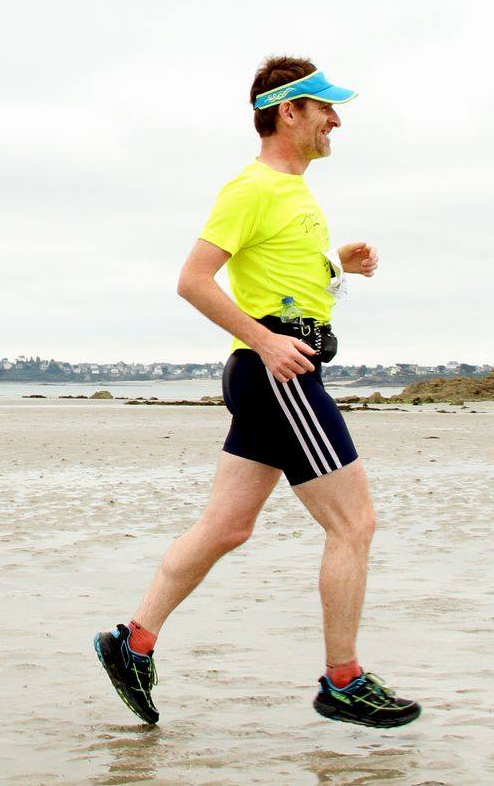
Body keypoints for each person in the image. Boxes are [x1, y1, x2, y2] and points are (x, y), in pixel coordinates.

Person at [94, 55, 421, 729]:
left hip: (272, 369)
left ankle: (134, 644)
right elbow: (194, 278)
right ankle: (344, 680)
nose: (336, 120)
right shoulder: (251, 187)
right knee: (353, 522)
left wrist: (336, 266)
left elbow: (276, 279)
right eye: (325, 107)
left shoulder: (295, 194)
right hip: (280, 374)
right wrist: (267, 341)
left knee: (227, 524)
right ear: (287, 111)